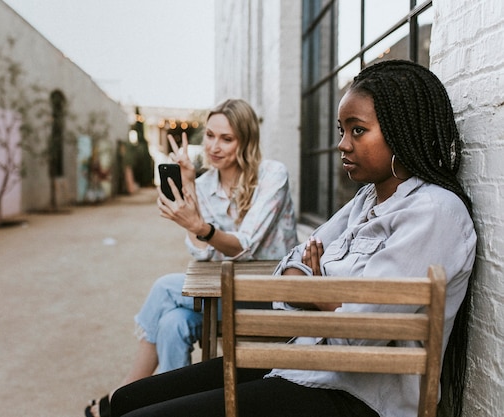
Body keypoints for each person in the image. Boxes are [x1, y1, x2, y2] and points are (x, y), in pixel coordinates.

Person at [107, 60, 477, 417]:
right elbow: (289, 272)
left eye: (357, 130)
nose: (342, 145)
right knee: (126, 400)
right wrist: (321, 294)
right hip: (303, 361)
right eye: (340, 130)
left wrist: (315, 289)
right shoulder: (368, 198)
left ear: (401, 130)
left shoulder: (434, 213)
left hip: (358, 397)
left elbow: (357, 337)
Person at [85, 99, 298, 417]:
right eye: (210, 135)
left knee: (164, 287)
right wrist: (188, 189)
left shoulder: (272, 175)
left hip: (272, 297)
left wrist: (200, 226)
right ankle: (171, 407)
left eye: (227, 139)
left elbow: (245, 245)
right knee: (172, 323)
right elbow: (203, 253)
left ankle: (125, 391)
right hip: (225, 296)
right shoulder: (204, 184)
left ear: (246, 140)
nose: (214, 146)